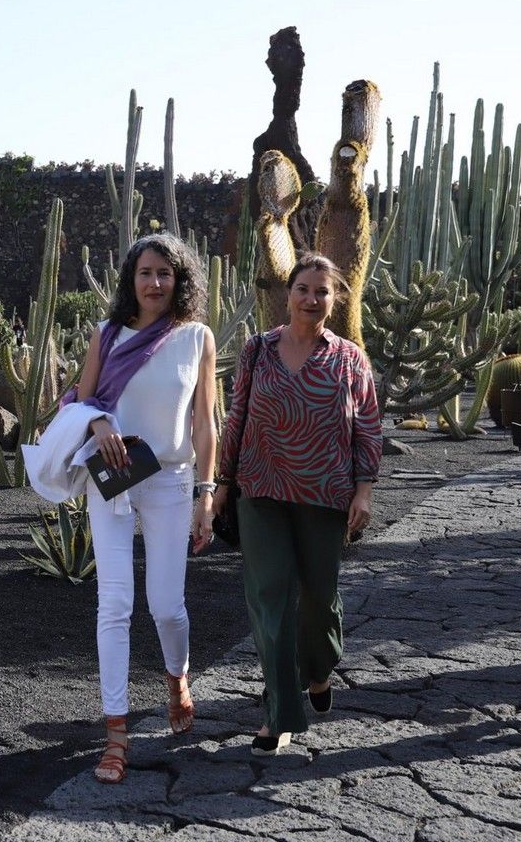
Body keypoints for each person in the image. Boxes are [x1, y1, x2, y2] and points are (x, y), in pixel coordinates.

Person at [213, 252, 381, 756]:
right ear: (288, 293)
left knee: (318, 599)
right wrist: (223, 483)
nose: (311, 299)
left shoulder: (350, 357)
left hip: (325, 494)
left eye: (322, 291)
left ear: (336, 299)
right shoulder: (258, 350)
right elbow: (237, 414)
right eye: (303, 289)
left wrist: (365, 488)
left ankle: (319, 669)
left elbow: (368, 425)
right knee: (269, 599)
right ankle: (280, 712)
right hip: (260, 489)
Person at [71, 234, 217, 784]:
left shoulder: (195, 338)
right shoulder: (106, 336)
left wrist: (207, 494)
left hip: (171, 479)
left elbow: (205, 423)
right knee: (114, 605)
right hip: (112, 476)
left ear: (180, 281)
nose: (155, 284)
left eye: (166, 274)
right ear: (130, 279)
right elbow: (84, 402)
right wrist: (101, 422)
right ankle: (115, 735)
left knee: (165, 606)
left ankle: (176, 677)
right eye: (146, 273)